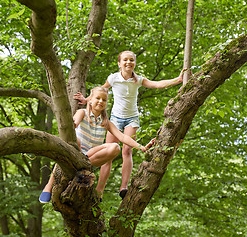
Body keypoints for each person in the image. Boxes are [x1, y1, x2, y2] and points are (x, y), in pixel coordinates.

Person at [74, 50, 186, 199]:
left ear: (134, 63)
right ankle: (99, 190)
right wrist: (86, 99)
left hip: (131, 118)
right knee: (109, 155)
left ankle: (123, 187)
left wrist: (177, 80)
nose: (129, 62)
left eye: (132, 60)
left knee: (127, 150)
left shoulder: (138, 80)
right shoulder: (113, 78)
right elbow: (100, 92)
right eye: (125, 60)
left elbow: (157, 84)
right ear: (119, 63)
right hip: (115, 118)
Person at [39, 86, 153, 203]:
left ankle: (84, 167)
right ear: (90, 100)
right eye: (97, 98)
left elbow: (123, 137)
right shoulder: (81, 113)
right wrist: (70, 123)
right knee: (76, 140)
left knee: (115, 147)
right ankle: (49, 185)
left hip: (90, 157)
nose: (100, 101)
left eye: (104, 100)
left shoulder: (106, 122)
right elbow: (74, 125)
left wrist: (141, 147)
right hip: (75, 151)